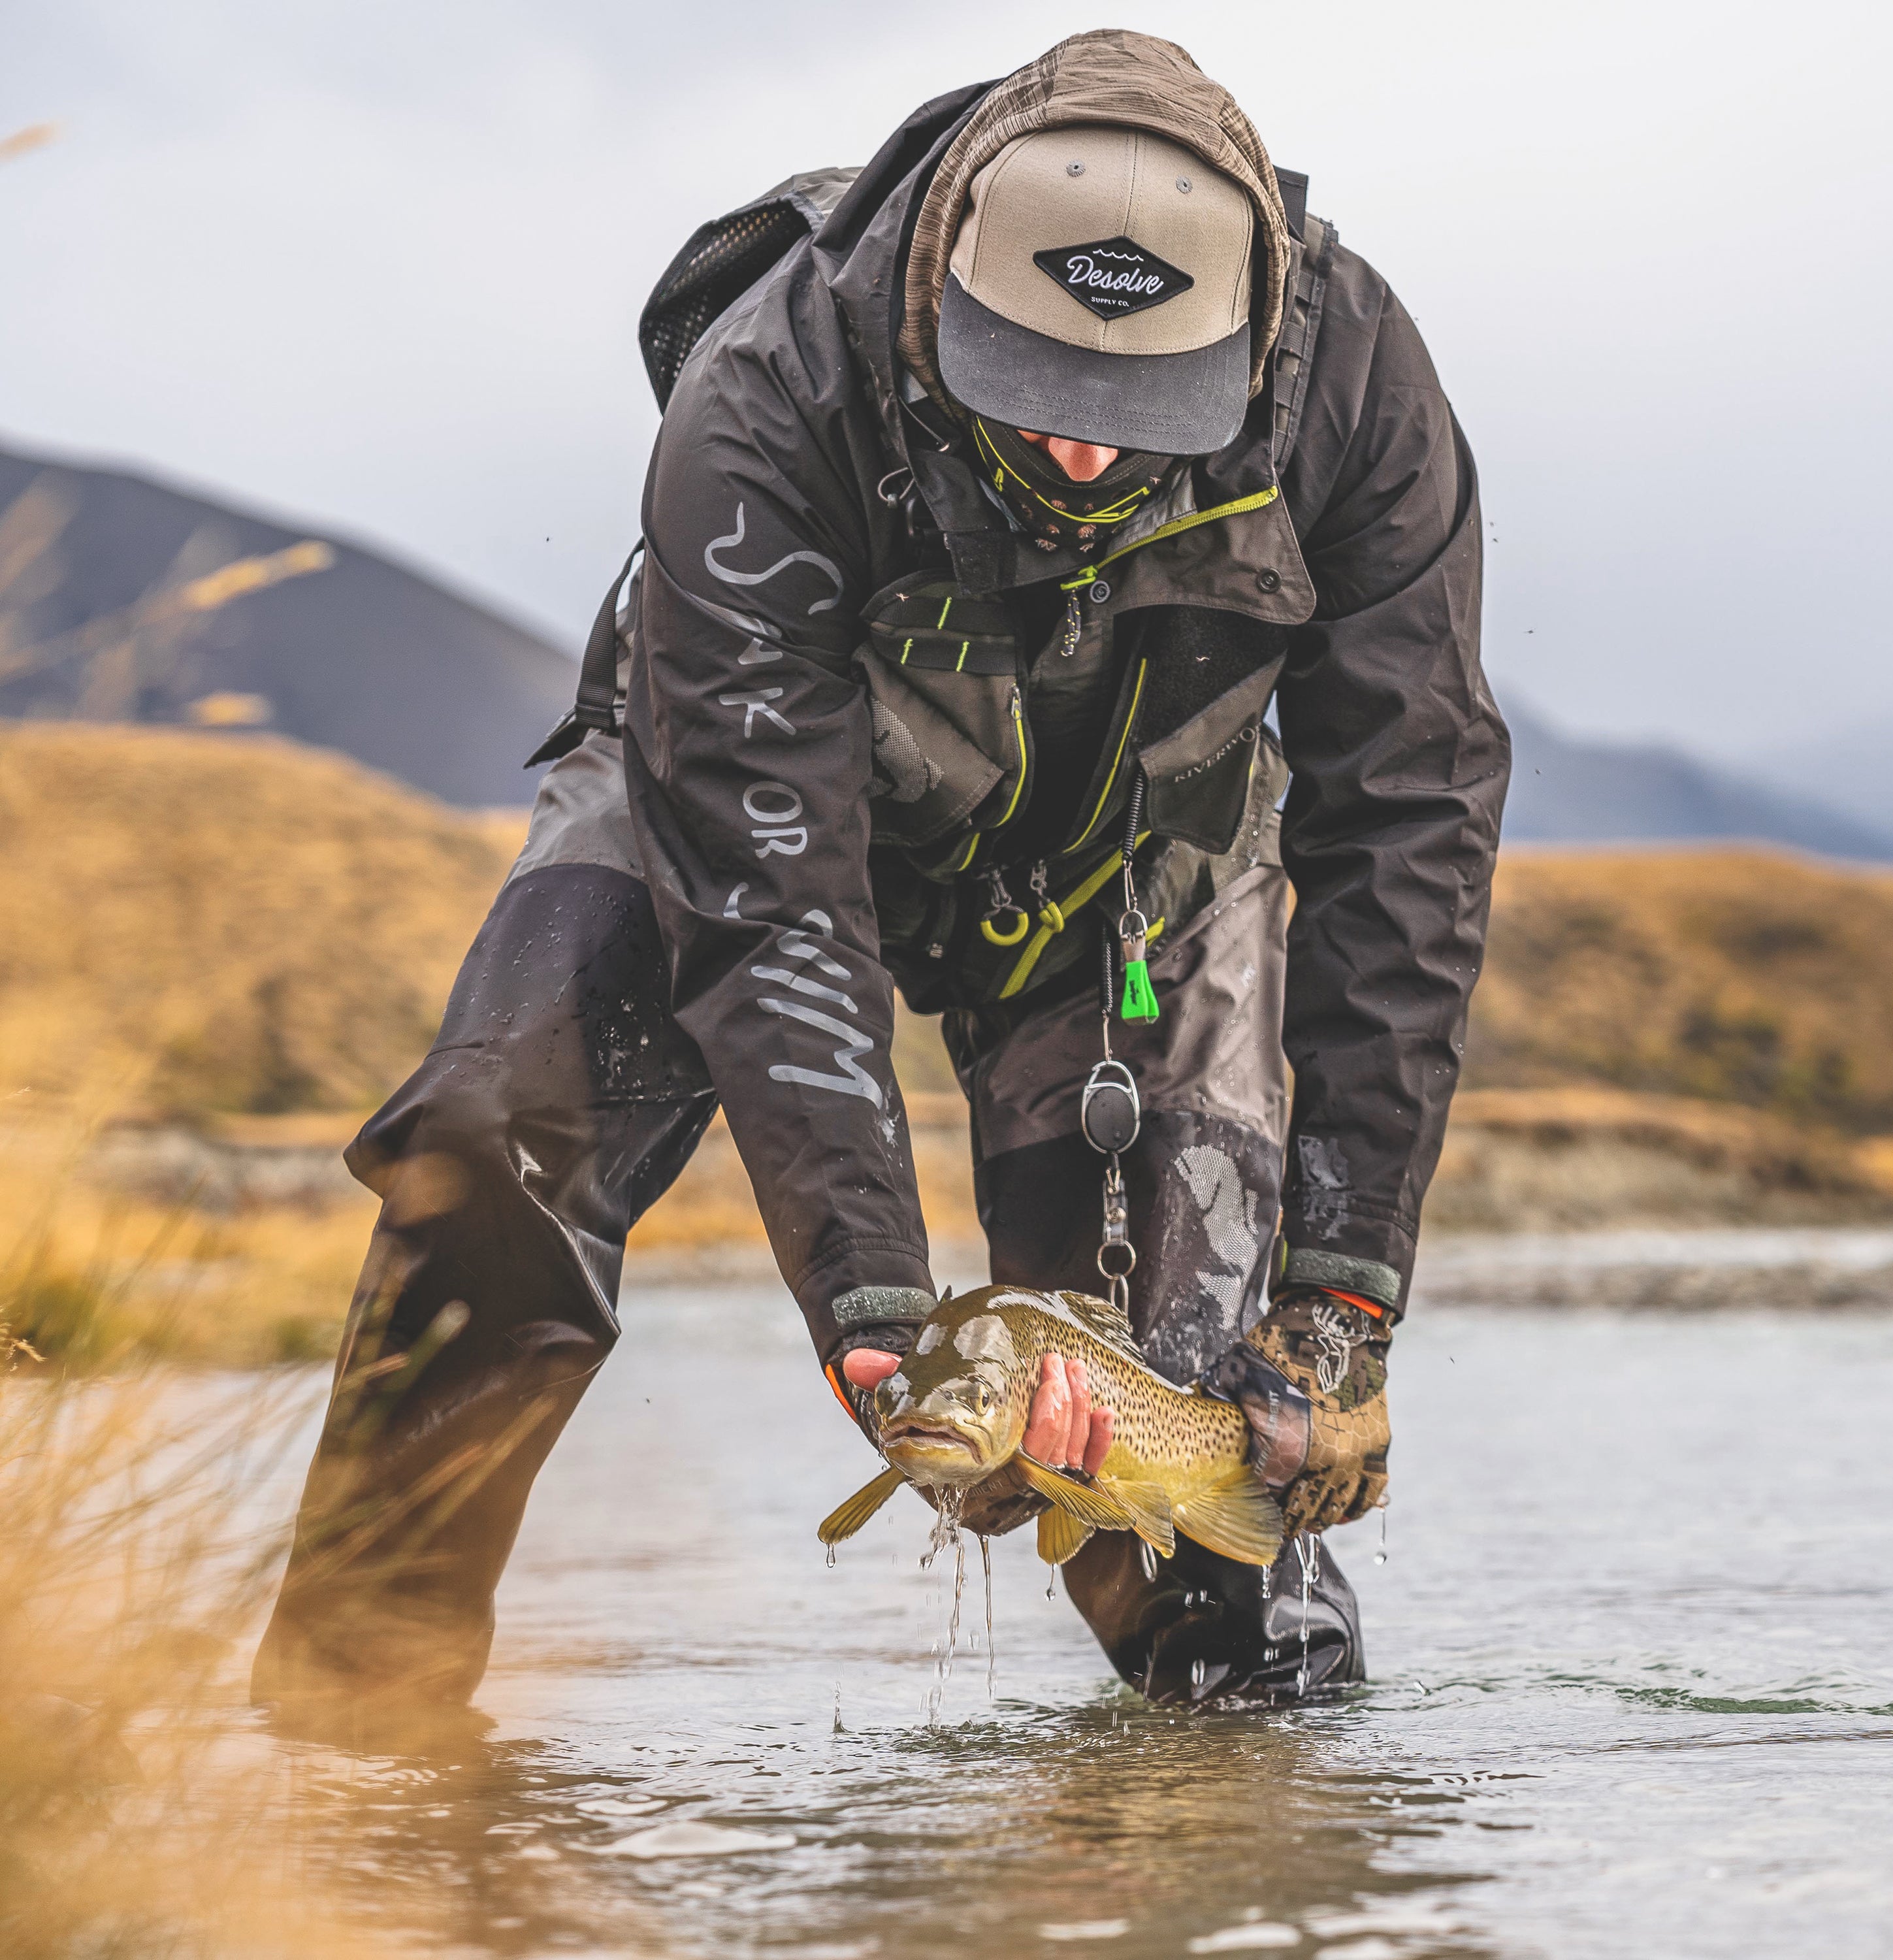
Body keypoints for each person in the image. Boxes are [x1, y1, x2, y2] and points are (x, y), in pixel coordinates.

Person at [254, 29, 1506, 1714]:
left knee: (1214, 1483)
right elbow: (773, 900)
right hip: (721, 801)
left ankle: (1241, 1843)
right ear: (950, 301)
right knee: (494, 1147)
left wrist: (1347, 1286)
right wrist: (872, 1310)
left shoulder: (1359, 389)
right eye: (1042, 395)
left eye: (1133, 413)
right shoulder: (770, 390)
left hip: (1138, 869)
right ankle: (349, 1733)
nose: (1081, 453)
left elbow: (1407, 818)